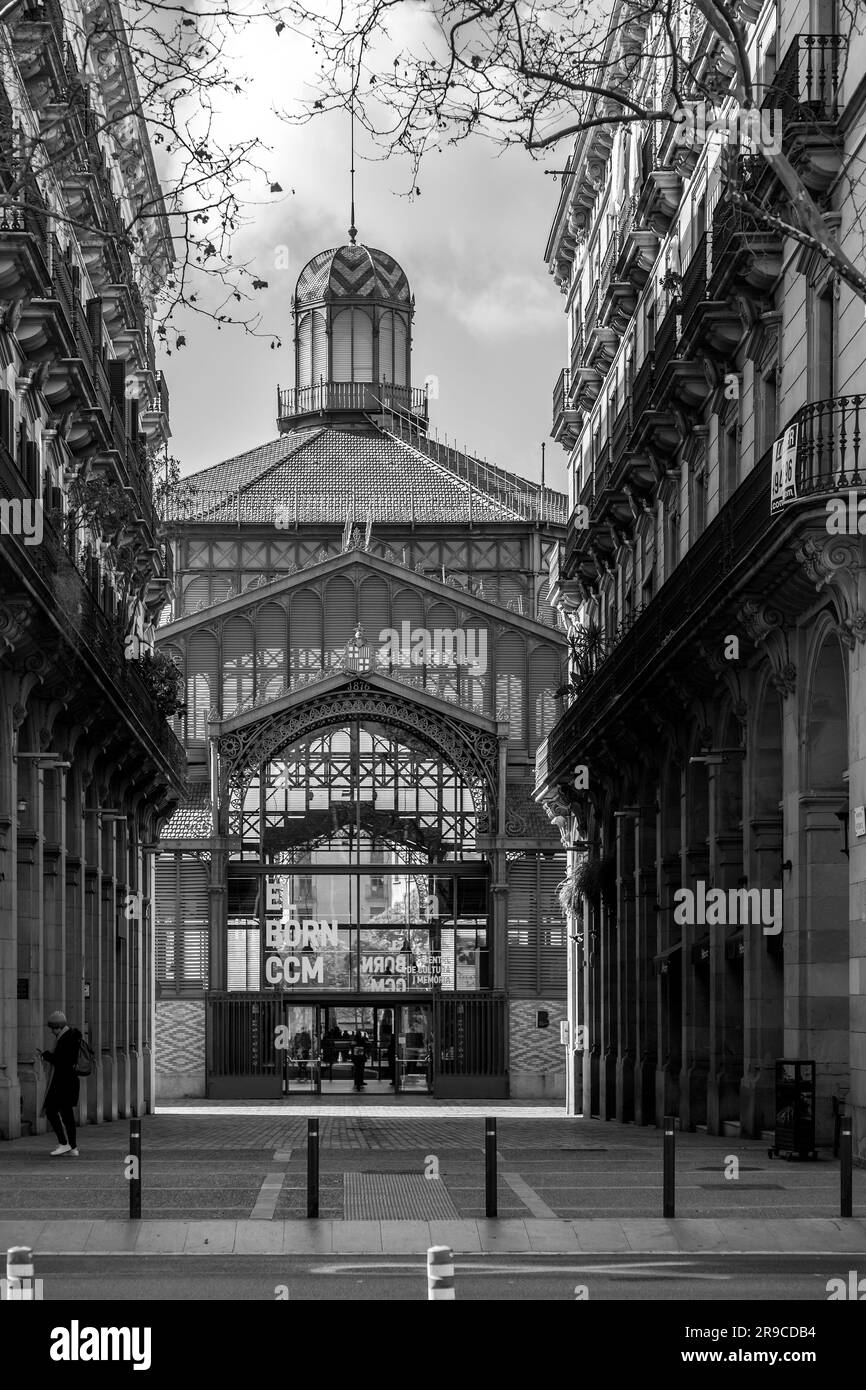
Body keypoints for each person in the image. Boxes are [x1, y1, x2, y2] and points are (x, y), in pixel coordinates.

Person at [39, 1011, 82, 1156]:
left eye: (52, 1028)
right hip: (69, 1083)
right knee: (67, 1115)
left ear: (58, 1027)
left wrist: (46, 1055)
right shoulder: (71, 1036)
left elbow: (61, 1061)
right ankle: (73, 1147)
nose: (51, 1031)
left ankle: (64, 1143)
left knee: (52, 1111)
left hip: (62, 1083)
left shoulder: (65, 1039)